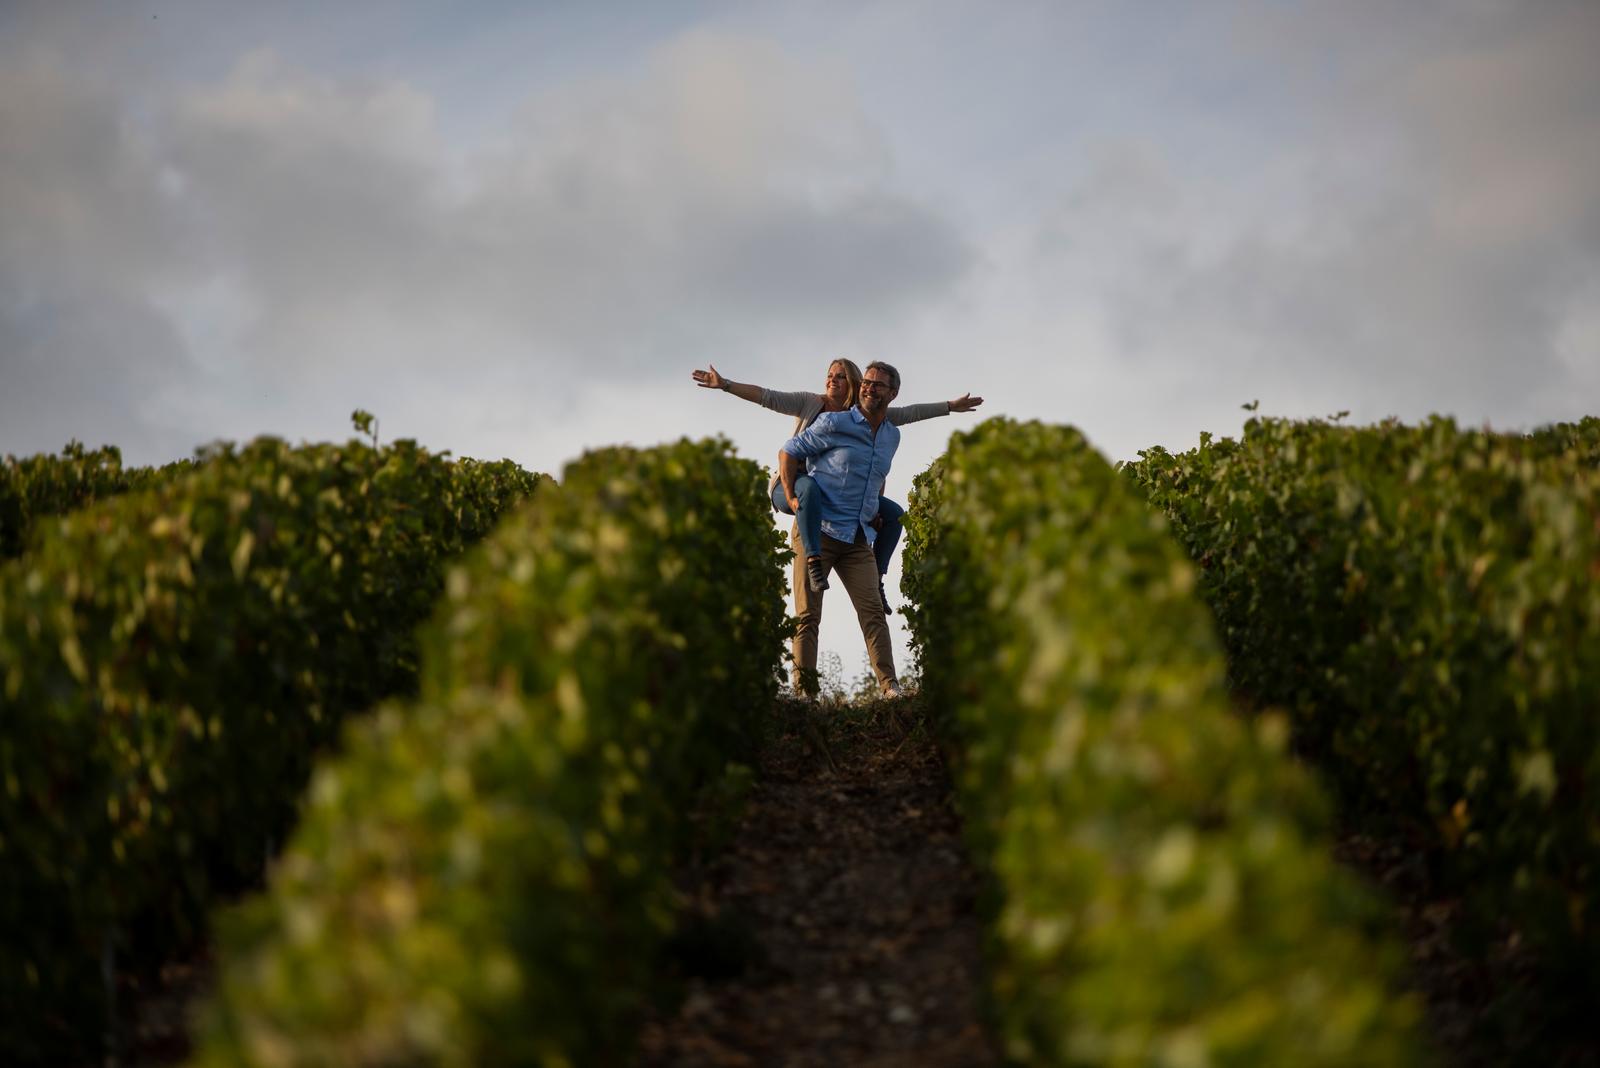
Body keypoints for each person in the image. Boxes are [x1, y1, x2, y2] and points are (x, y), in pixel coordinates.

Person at [690, 360, 982, 610]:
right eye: (829, 375)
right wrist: (725, 384)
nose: (832, 380)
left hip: (836, 492)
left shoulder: (862, 413)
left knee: (894, 515)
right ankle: (815, 559)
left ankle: (877, 577)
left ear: (853, 383)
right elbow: (767, 396)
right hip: (792, 482)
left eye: (840, 376)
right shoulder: (810, 403)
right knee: (810, 491)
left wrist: (949, 407)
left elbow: (907, 415)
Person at [777, 361, 910, 697]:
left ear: (892, 394)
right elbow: (789, 451)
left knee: (874, 614)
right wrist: (792, 496)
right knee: (808, 617)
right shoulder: (834, 422)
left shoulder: (892, 436)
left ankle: (890, 687)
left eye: (878, 385)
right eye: (866, 382)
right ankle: (804, 694)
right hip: (818, 532)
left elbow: (877, 475)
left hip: (857, 538)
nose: (869, 388)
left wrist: (874, 507)